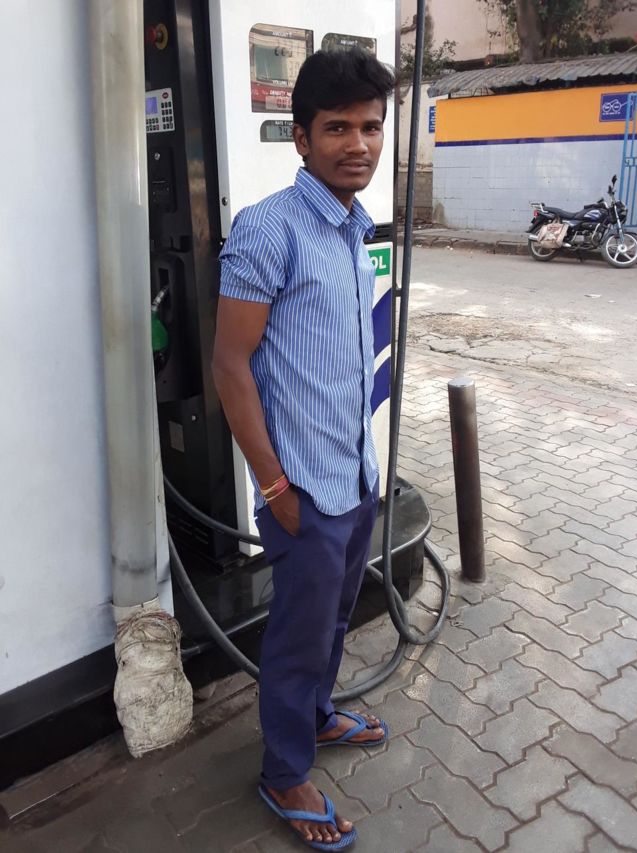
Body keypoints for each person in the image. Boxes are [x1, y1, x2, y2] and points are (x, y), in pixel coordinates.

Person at [213, 48, 396, 851]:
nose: (358, 144)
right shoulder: (269, 229)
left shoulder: (354, 227)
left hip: (354, 477)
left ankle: (318, 717)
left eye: (371, 127)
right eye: (337, 128)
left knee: (333, 622)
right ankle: (284, 770)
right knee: (295, 639)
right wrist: (274, 487)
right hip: (303, 492)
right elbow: (230, 366)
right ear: (301, 137)